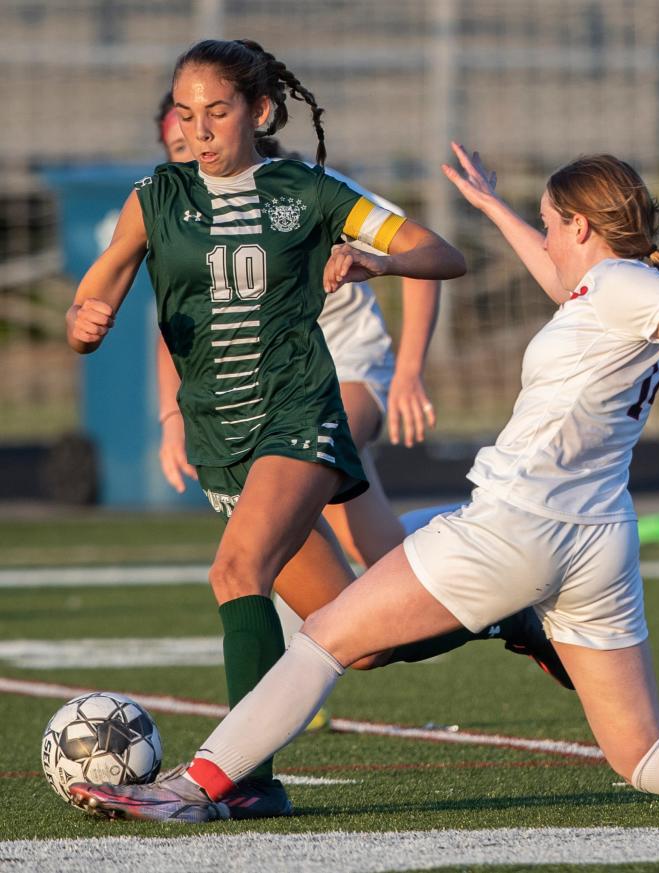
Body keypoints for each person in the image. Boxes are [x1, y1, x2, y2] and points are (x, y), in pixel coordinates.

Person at [70, 144, 659, 825]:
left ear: (585, 227)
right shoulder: (616, 283)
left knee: (326, 636)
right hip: (597, 545)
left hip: (516, 527)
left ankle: (197, 784)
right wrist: (490, 207)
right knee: (641, 753)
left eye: (553, 224)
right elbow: (564, 278)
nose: (546, 240)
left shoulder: (624, 286)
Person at [63, 37, 470, 820]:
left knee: (235, 569)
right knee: (358, 633)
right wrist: (86, 322)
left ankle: (243, 777)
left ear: (260, 111)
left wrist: (380, 261)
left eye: (217, 112)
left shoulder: (307, 190)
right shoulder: (154, 198)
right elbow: (99, 291)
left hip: (300, 411)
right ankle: (504, 610)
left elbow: (441, 253)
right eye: (186, 114)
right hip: (225, 439)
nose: (199, 131)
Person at [153, 92, 440, 567]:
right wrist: (171, 417)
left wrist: (409, 372)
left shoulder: (312, 190)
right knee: (375, 549)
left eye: (209, 122)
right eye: (178, 144)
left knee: (281, 507)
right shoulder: (184, 216)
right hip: (273, 388)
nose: (195, 143)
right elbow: (178, 326)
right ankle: (476, 557)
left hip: (346, 367)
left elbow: (423, 253)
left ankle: (311, 628)